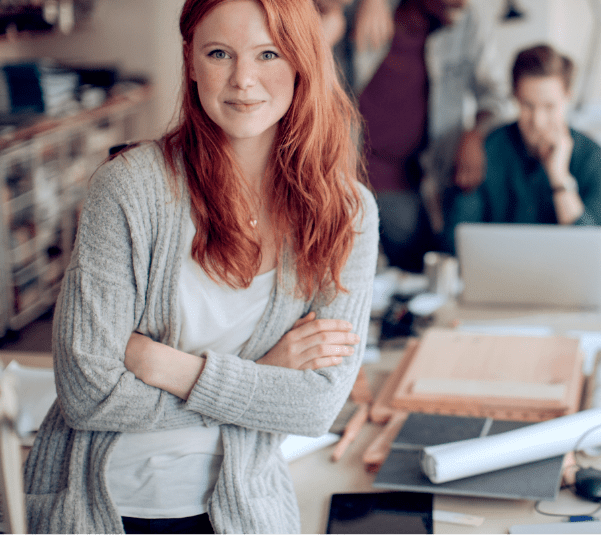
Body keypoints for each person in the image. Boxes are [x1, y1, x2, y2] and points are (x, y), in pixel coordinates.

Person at [23, 0, 379, 533]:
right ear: (190, 59)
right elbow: (88, 395)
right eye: (220, 53)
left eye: (268, 54)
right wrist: (264, 379)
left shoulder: (346, 212)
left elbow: (316, 407)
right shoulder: (128, 189)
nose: (243, 80)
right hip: (106, 505)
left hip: (244, 508)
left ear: (303, 60)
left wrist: (170, 367)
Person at [355, 0, 509, 272]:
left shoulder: (468, 20)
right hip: (357, 171)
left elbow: (496, 97)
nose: (461, 3)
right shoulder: (365, 11)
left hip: (422, 178)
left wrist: (475, 134)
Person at [442, 44, 601, 254]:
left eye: (549, 106)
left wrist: (559, 177)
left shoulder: (592, 157)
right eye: (528, 105)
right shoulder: (486, 150)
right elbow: (454, 243)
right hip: (497, 278)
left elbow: (591, 252)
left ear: (567, 99)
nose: (538, 121)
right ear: (515, 97)